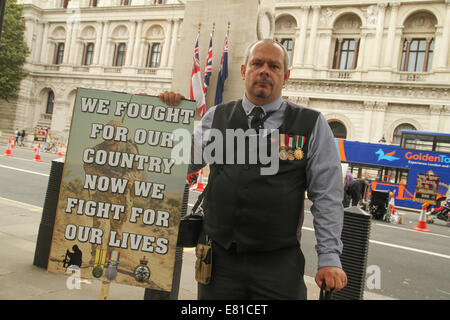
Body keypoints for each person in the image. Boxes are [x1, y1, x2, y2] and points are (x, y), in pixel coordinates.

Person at [159, 39, 347, 299]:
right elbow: (177, 163)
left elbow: (327, 195)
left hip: (278, 267)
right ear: (243, 70)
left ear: (286, 76)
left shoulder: (311, 124)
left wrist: (329, 258)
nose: (264, 71)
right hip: (219, 264)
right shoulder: (217, 117)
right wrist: (164, 117)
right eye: (257, 63)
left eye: (274, 66)